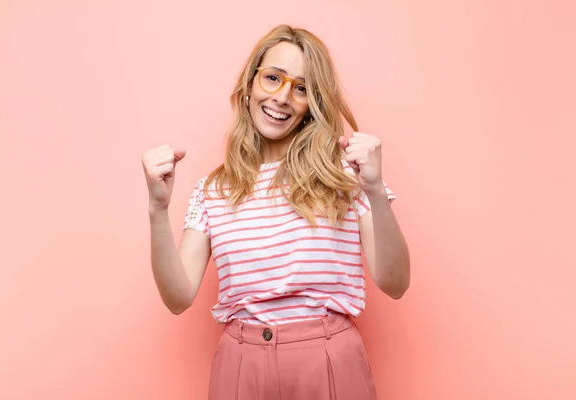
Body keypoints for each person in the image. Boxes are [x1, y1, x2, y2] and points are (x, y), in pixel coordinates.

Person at [141, 24, 410, 400]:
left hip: (329, 362)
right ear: (251, 83)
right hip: (241, 367)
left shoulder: (347, 176)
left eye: (301, 88)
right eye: (273, 78)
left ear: (313, 103)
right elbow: (178, 296)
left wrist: (375, 189)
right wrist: (158, 209)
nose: (283, 97)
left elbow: (395, 283)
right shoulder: (213, 190)